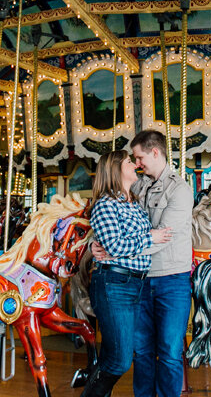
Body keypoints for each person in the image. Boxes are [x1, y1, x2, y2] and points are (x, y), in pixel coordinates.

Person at [81, 150, 172, 397]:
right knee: (120, 360)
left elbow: (120, 246)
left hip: (136, 284)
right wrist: (148, 238)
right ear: (115, 169)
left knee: (117, 354)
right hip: (114, 283)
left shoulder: (133, 202)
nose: (135, 164)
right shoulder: (105, 204)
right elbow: (116, 246)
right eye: (129, 161)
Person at [129, 130, 194, 397]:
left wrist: (118, 250)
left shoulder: (180, 189)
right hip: (140, 278)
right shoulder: (136, 185)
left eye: (139, 157)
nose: (137, 163)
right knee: (141, 350)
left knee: (168, 351)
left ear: (155, 152)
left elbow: (164, 236)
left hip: (171, 279)